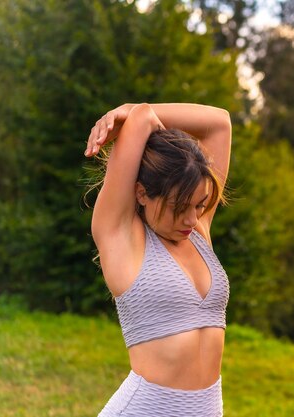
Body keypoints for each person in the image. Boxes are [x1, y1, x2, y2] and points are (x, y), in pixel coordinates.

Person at [84, 102, 232, 416]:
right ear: (141, 194)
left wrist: (143, 112)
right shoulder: (121, 236)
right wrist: (132, 111)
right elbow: (142, 118)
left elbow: (220, 123)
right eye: (179, 207)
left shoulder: (198, 231)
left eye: (201, 204)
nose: (192, 219)